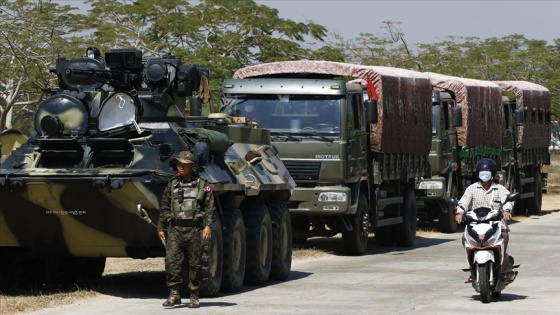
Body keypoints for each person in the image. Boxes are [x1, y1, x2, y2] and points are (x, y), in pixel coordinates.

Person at [157, 151, 216, 308]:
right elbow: (164, 206)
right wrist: (161, 227)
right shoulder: (172, 184)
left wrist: (208, 226)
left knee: (195, 264)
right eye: (178, 164)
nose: (180, 167)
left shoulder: (203, 185)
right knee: (171, 262)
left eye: (183, 164)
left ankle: (194, 295)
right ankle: (174, 294)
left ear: (192, 166)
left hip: (194, 229)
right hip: (175, 229)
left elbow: (210, 208)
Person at [454, 158, 515, 280]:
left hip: (496, 224)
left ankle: (504, 265)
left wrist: (506, 210)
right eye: (482, 171)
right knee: (464, 238)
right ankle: (473, 268)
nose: (484, 173)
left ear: (493, 173)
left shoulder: (499, 189)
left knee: (505, 236)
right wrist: (459, 212)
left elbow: (508, 199)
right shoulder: (471, 189)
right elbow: (464, 201)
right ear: (478, 173)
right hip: (476, 225)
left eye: (487, 171)